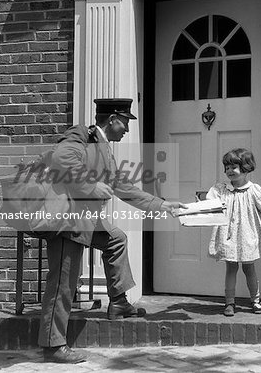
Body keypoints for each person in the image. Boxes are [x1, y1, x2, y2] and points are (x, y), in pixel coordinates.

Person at [39, 98, 186, 363]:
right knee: (62, 281)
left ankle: (118, 302)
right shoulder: (82, 134)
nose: (127, 130)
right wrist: (90, 187)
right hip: (67, 220)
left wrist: (162, 205)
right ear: (113, 119)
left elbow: (122, 186)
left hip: (84, 219)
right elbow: (60, 160)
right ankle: (53, 345)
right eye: (126, 122)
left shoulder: (104, 148)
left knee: (116, 239)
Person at [207, 148, 261, 317]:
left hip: (247, 236)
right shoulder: (221, 189)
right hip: (228, 235)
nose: (229, 171)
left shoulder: (254, 190)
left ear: (245, 168)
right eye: (227, 167)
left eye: (234, 167)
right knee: (230, 268)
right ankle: (230, 302)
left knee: (249, 269)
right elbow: (209, 203)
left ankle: (255, 300)